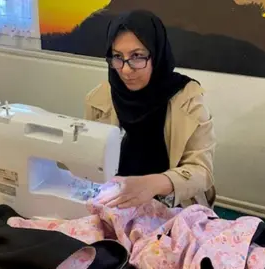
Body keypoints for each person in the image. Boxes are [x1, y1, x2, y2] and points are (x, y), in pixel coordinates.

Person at [84, 10, 216, 209]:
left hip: (173, 204)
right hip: (115, 201)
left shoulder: (189, 99)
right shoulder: (99, 99)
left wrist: (154, 184)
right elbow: (89, 157)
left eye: (137, 56)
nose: (126, 70)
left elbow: (202, 171)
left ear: (156, 54)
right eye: (118, 57)